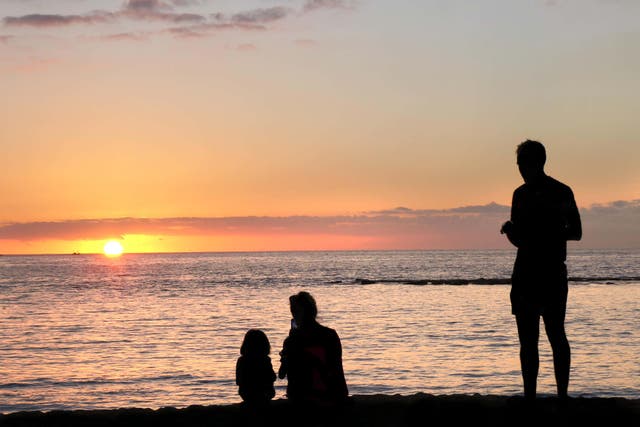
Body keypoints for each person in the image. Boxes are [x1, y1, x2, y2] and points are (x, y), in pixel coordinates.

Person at [501, 139, 582, 400]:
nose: (521, 170)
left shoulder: (561, 192)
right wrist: (511, 232)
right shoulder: (520, 195)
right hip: (526, 272)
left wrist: (543, 233)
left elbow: (576, 232)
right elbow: (521, 242)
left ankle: (561, 396)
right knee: (529, 341)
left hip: (549, 273)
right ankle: (530, 397)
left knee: (555, 335)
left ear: (537, 163)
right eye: (519, 165)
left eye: (523, 164)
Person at [278, 291, 348, 406]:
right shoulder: (330, 335)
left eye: (294, 312)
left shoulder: (293, 340)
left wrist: (286, 355)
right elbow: (336, 368)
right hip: (331, 396)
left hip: (302, 399)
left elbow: (281, 374)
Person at [236, 329, 276, 405]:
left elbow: (239, 381)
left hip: (247, 395)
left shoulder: (242, 360)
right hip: (265, 394)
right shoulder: (265, 359)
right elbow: (272, 377)